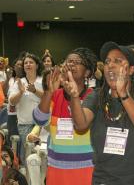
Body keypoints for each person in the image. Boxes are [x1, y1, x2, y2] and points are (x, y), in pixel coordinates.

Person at [64, 42, 134, 185]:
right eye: (107, 61)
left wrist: (123, 93)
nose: (110, 65)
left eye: (118, 61)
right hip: (105, 178)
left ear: (131, 69)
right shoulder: (97, 96)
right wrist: (74, 97)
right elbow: (80, 124)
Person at [32, 48, 97, 185]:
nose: (71, 64)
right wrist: (49, 91)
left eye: (77, 62)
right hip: (57, 169)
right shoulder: (56, 95)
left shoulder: (93, 96)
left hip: (85, 169)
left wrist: (74, 96)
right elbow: (40, 119)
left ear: (87, 72)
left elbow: (81, 126)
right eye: (69, 61)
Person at [8, 53, 43, 165]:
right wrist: (21, 92)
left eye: (31, 62)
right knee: (27, 156)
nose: (28, 64)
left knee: (42, 155)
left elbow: (50, 98)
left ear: (37, 65)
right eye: (26, 63)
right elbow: (11, 102)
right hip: (25, 125)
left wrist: (34, 91)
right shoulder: (19, 82)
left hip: (42, 125)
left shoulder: (43, 81)